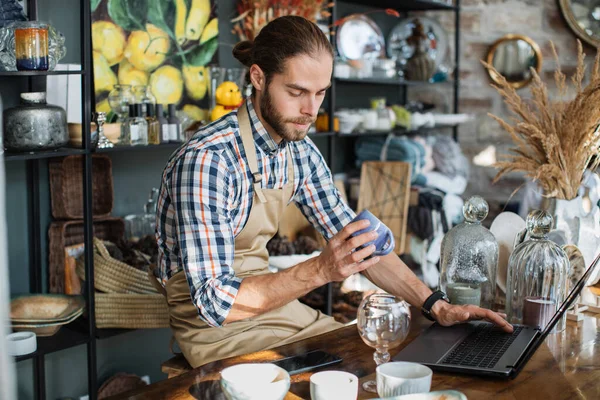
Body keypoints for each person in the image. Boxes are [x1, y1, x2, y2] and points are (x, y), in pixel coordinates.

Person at [154, 15, 512, 369]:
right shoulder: (209, 161)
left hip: (275, 312)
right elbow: (217, 304)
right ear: (258, 77)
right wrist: (322, 269)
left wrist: (437, 305)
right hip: (214, 331)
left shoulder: (300, 151)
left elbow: (362, 245)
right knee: (341, 372)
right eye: (296, 92)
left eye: (320, 93)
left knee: (368, 356)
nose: (310, 110)